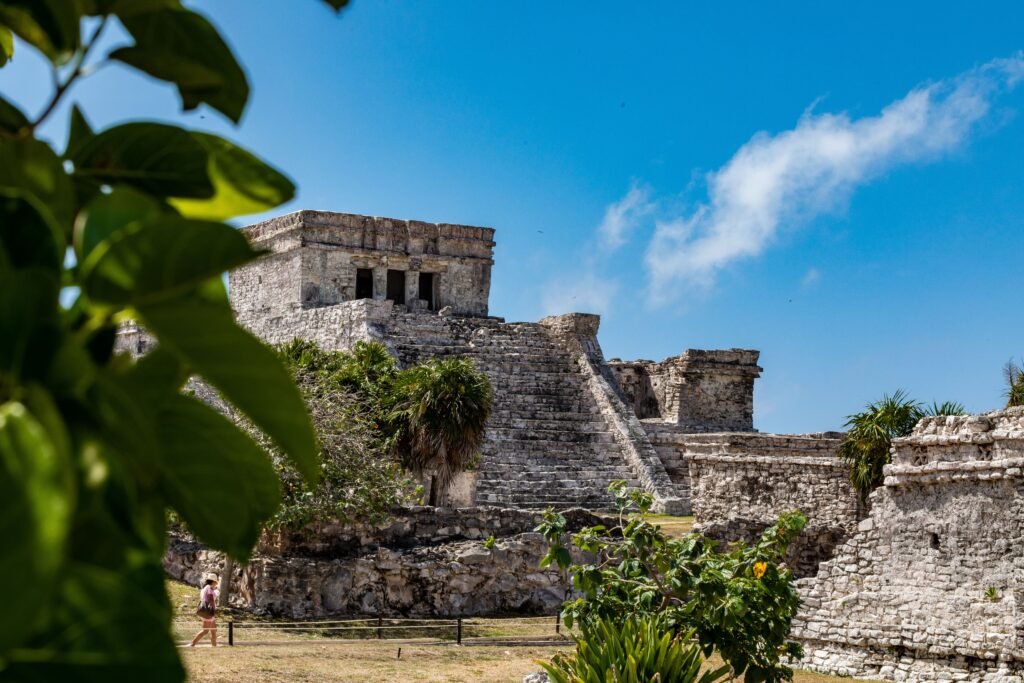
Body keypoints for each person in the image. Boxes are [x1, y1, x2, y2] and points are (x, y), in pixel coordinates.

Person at [190, 577, 219, 647]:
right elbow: (211, 597)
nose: (216, 584)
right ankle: (192, 644)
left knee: (213, 631)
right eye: (215, 583)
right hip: (208, 612)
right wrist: (215, 592)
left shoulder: (205, 589)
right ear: (213, 582)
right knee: (206, 631)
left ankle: (214, 646)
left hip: (207, 612)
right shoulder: (208, 588)